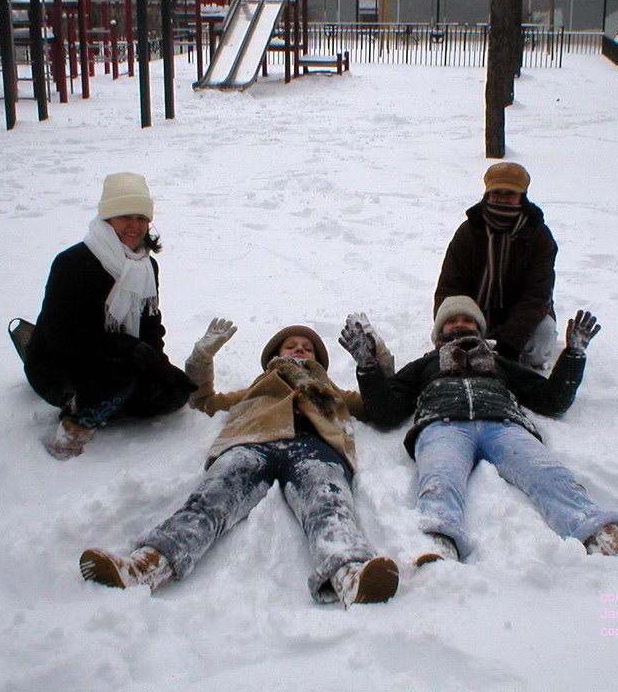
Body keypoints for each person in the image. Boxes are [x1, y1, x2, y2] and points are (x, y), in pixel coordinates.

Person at [79, 320, 400, 607]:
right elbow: (204, 402)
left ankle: (350, 576)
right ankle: (144, 565)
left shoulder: (330, 390)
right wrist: (201, 360)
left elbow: (376, 405)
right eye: (292, 346)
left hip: (314, 449)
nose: (300, 350)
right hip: (253, 442)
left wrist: (375, 360)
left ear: (318, 361)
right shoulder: (258, 387)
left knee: (329, 505)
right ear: (275, 354)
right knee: (211, 500)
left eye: (308, 348)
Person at [339, 295, 618, 565]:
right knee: (440, 481)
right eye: (451, 321)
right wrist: (368, 367)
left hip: (504, 426)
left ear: (480, 328)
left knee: (550, 475)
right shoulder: (424, 364)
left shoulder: (500, 362)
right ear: (439, 332)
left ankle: (608, 541)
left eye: (467, 320)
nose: (459, 325)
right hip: (442, 426)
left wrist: (574, 355)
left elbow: (551, 400)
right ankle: (439, 548)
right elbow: (385, 413)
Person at [23, 172, 194, 460]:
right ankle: (75, 424)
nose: (135, 226)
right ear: (107, 219)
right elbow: (60, 335)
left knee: (175, 392)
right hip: (59, 365)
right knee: (120, 375)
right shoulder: (73, 262)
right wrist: (128, 349)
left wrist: (158, 364)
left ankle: (113, 403)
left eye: (141, 218)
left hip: (119, 359)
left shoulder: (145, 265)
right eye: (125, 216)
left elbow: (150, 323)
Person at [434, 162, 558, 368]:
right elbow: (450, 287)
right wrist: (459, 325)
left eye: (509, 193)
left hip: (520, 318)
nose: (502, 198)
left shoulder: (539, 236)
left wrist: (510, 343)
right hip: (473, 316)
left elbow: (537, 295)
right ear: (487, 194)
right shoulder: (468, 232)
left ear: (522, 196)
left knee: (542, 335)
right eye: (496, 192)